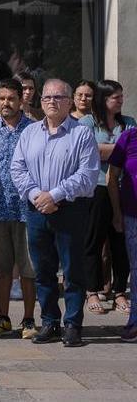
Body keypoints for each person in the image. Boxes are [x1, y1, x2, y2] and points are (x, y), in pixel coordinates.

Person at [11, 79, 99, 347]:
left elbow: (88, 175)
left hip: (70, 209)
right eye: (47, 97)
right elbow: (17, 169)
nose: (52, 101)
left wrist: (55, 194)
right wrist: (38, 195)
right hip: (37, 209)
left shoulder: (82, 134)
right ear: (41, 102)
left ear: (69, 102)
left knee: (72, 270)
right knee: (43, 270)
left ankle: (73, 324)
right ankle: (49, 320)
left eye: (59, 97)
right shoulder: (29, 133)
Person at [0, 79, 39, 339]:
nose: (6, 103)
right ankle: (3, 317)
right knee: (0, 268)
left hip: (28, 209)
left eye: (11, 98)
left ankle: (28, 319)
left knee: (29, 268)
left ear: (21, 100)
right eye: (1, 98)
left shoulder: (35, 129)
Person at [80, 80, 135, 316]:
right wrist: (121, 149)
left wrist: (106, 149)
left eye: (122, 96)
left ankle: (120, 291)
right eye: (116, 97)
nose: (121, 101)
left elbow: (131, 152)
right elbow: (89, 151)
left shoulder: (129, 122)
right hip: (96, 188)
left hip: (125, 188)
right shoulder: (86, 123)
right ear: (103, 99)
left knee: (120, 241)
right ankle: (92, 290)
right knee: (93, 239)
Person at [106, 125, 137, 342]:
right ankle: (135, 320)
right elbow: (112, 177)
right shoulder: (129, 136)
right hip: (132, 214)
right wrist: (117, 212)